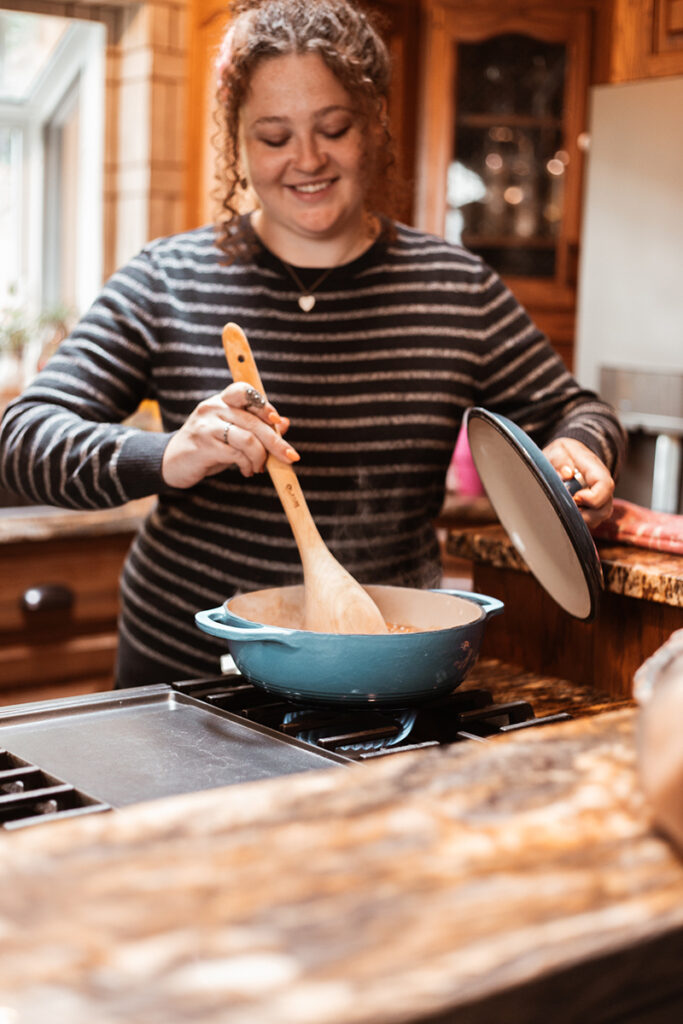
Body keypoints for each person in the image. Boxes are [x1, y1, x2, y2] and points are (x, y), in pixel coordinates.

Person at [0, 0, 625, 687]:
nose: (305, 159)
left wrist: (581, 450)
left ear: (376, 125)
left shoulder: (457, 289)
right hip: (183, 678)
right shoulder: (165, 280)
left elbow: (579, 411)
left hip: (380, 671)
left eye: (334, 127)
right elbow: (21, 440)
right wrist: (167, 455)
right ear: (236, 140)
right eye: (273, 137)